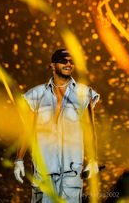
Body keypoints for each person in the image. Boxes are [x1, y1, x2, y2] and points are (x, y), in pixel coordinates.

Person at [14, 48, 100, 203]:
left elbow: (90, 130)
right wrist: (19, 159)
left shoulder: (83, 93)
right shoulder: (36, 94)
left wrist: (93, 159)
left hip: (71, 173)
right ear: (52, 65)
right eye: (63, 61)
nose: (68, 64)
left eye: (71, 61)